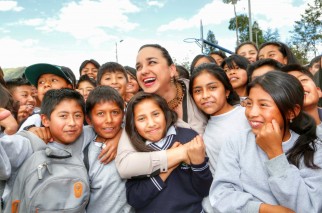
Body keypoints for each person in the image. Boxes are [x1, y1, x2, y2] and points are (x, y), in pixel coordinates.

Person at [210, 72, 322, 213]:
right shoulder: (236, 142)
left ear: (291, 112)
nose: (252, 113)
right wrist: (263, 209)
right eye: (249, 103)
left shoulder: (314, 149)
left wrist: (275, 155)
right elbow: (221, 196)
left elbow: (308, 208)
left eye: (263, 105)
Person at [116, 44, 207, 179]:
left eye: (152, 62)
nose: (143, 71)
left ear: (172, 69)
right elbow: (125, 165)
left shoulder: (198, 91)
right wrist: (180, 153)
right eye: (139, 67)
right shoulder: (137, 107)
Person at [0, 88, 91, 211]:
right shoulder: (27, 144)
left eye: (78, 116)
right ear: (45, 120)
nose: (72, 122)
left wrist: (114, 139)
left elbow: (112, 128)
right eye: (63, 116)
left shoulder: (85, 137)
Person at [125, 92, 212, 212]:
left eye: (155, 114)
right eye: (141, 119)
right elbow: (135, 199)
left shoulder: (188, 137)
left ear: (165, 114)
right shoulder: (132, 150)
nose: (151, 123)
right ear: (133, 124)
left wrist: (198, 163)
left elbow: (205, 189)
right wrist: (172, 161)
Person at [190, 63, 249, 174]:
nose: (205, 95)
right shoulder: (206, 134)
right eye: (198, 91)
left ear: (227, 91)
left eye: (212, 88)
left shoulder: (247, 115)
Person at [84, 86, 133, 213]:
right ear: (88, 119)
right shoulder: (85, 154)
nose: (109, 120)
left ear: (123, 115)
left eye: (115, 112)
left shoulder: (133, 140)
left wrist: (122, 134)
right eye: (100, 114)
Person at [19, 63, 76, 131]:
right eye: (41, 82)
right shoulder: (34, 121)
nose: (46, 84)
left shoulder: (86, 114)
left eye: (54, 80)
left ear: (69, 88)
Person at [281, 64, 322, 138]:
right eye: (290, 84)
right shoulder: (282, 136)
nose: (299, 85)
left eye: (303, 80)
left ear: (319, 91)